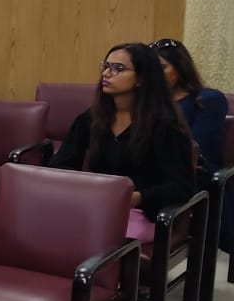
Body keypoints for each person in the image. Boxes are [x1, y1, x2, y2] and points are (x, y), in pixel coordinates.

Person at [52, 42, 196, 245]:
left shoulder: (165, 125)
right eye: (105, 66)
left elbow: (181, 186)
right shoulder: (91, 118)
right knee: (48, 227)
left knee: (92, 237)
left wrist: (138, 197)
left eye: (118, 68)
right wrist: (80, 188)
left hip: (141, 213)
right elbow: (61, 164)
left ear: (141, 78)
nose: (106, 74)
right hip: (95, 205)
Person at [152, 37, 234, 253]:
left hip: (195, 173)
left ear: (180, 69)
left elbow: (199, 148)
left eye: (161, 67)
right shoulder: (145, 101)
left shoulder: (207, 99)